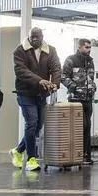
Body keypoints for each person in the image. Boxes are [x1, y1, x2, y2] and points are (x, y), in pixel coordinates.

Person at [11, 27, 61, 172]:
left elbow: (56, 68)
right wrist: (40, 80)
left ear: (42, 37)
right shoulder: (20, 50)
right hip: (25, 93)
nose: (34, 40)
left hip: (41, 94)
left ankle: (18, 151)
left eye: (36, 37)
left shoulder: (50, 50)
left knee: (38, 125)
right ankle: (31, 159)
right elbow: (21, 71)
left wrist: (55, 84)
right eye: (31, 37)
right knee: (32, 122)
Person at [61, 38, 97, 165]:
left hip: (88, 98)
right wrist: (74, 87)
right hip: (75, 99)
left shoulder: (90, 62)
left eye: (90, 47)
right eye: (86, 47)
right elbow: (63, 76)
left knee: (88, 126)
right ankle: (77, 154)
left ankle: (86, 155)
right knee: (80, 126)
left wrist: (93, 87)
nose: (89, 49)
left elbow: (91, 78)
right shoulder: (71, 59)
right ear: (79, 47)